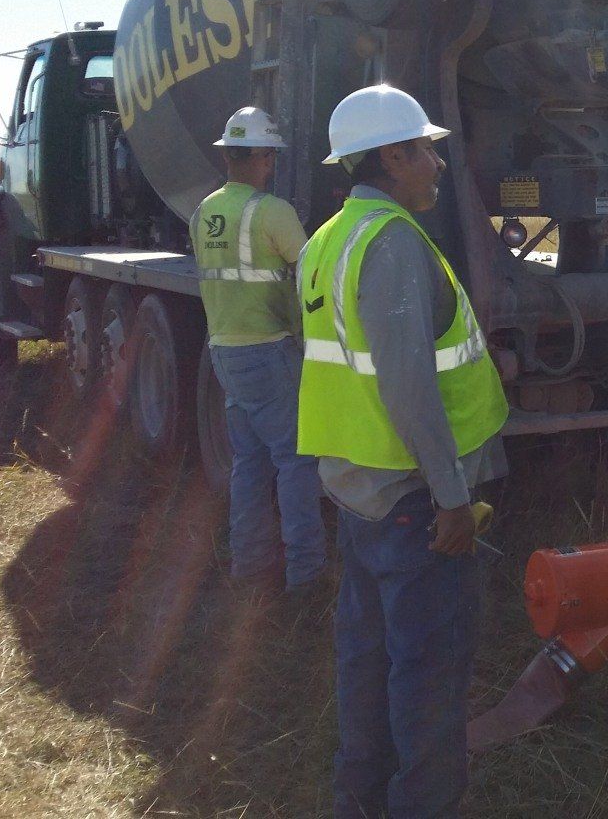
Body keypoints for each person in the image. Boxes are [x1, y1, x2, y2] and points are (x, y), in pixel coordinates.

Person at [297, 84, 508, 819]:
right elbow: (409, 384)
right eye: (425, 150)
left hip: (359, 496)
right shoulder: (390, 243)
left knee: (366, 661)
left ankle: (357, 803)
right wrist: (452, 497)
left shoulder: (326, 241)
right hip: (414, 509)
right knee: (427, 678)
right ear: (391, 155)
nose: (436, 165)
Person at [191, 107, 325, 595]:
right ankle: (306, 577)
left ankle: (249, 568)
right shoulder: (274, 212)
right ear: (265, 157)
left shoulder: (204, 212)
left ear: (228, 156)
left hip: (225, 351)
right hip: (270, 351)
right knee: (295, 462)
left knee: (249, 463)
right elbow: (313, 271)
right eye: (271, 156)